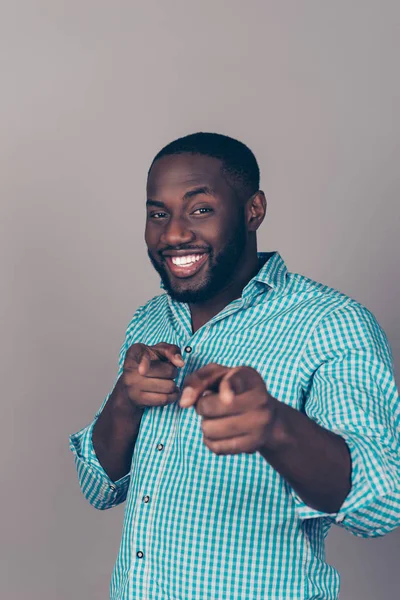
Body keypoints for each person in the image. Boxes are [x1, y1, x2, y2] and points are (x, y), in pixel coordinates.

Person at [70, 132, 400, 600]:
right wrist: (125, 401)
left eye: (199, 209)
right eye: (157, 214)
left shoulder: (330, 323)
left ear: (253, 210)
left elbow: (383, 506)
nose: (174, 233)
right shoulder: (149, 318)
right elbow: (98, 489)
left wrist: (276, 427)